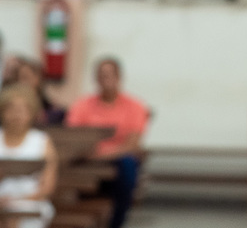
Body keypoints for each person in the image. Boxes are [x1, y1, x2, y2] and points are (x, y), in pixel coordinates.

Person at [65, 57, 150, 228]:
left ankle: (116, 222)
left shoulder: (135, 106)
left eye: (110, 75)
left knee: (127, 165)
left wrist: (98, 155)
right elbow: (73, 138)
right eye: (102, 75)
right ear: (96, 78)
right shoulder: (82, 106)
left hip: (114, 161)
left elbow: (131, 144)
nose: (106, 79)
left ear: (119, 77)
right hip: (87, 162)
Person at [0, 84, 57, 228]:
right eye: (11, 109)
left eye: (21, 110)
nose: (16, 115)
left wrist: (16, 201)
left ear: (31, 113)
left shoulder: (41, 141)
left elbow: (47, 187)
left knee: (15, 217)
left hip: (30, 203)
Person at [1, 59, 64, 128]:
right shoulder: (6, 106)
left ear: (38, 79)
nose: (21, 82)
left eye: (25, 77)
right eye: (18, 78)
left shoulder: (53, 111)